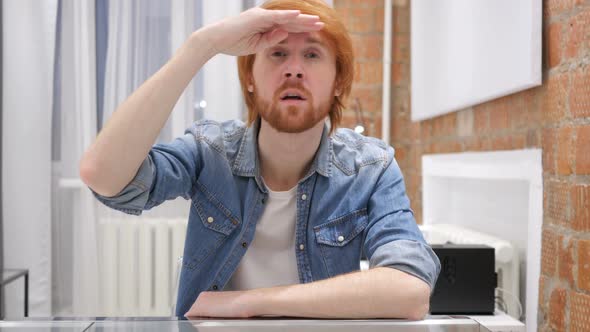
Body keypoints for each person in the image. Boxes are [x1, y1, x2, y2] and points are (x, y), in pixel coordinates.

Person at [80, 0, 440, 320]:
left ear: (337, 83)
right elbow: (105, 177)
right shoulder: (212, 151)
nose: (294, 70)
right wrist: (200, 46)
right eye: (277, 54)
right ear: (249, 78)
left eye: (312, 55)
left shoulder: (371, 167)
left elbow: (409, 289)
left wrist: (249, 303)